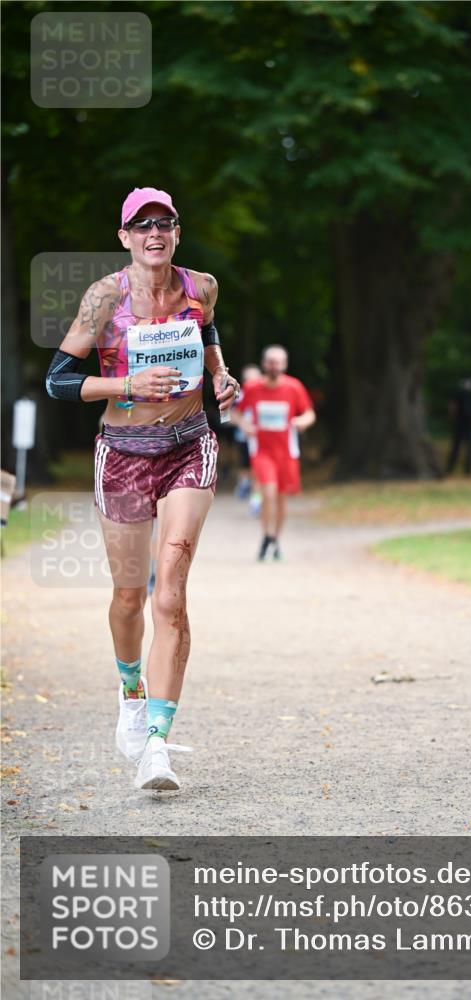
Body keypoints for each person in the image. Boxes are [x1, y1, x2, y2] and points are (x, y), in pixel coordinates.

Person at [45, 187, 239, 792]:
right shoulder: (105, 297)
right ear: (125, 236)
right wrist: (126, 385)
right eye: (142, 225)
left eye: (165, 223)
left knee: (170, 593)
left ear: (177, 232)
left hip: (188, 444)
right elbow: (58, 379)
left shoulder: (201, 287)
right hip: (123, 454)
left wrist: (220, 376)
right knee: (129, 597)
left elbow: (208, 334)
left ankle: (157, 743)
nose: (154, 233)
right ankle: (130, 691)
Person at [231, 345, 316, 560]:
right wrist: (245, 425)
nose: (274, 366)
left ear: (284, 365)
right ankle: (267, 534)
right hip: (262, 451)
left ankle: (274, 540)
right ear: (264, 364)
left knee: (280, 499)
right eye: (271, 362)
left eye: (278, 362)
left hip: (287, 453)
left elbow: (309, 414)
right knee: (268, 492)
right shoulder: (252, 387)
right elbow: (235, 413)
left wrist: (301, 421)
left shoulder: (293, 387)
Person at [232, 364, 261, 503]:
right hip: (243, 437)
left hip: (261, 438)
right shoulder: (239, 396)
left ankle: (256, 498)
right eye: (248, 379)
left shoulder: (265, 393)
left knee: (258, 468)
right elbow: (231, 416)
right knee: (245, 466)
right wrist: (244, 425)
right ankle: (244, 482)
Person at [445, 377, 471, 476]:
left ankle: (467, 470)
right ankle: (451, 468)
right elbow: (453, 407)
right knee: (457, 447)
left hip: (468, 425)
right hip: (460, 425)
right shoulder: (460, 394)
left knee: (469, 448)